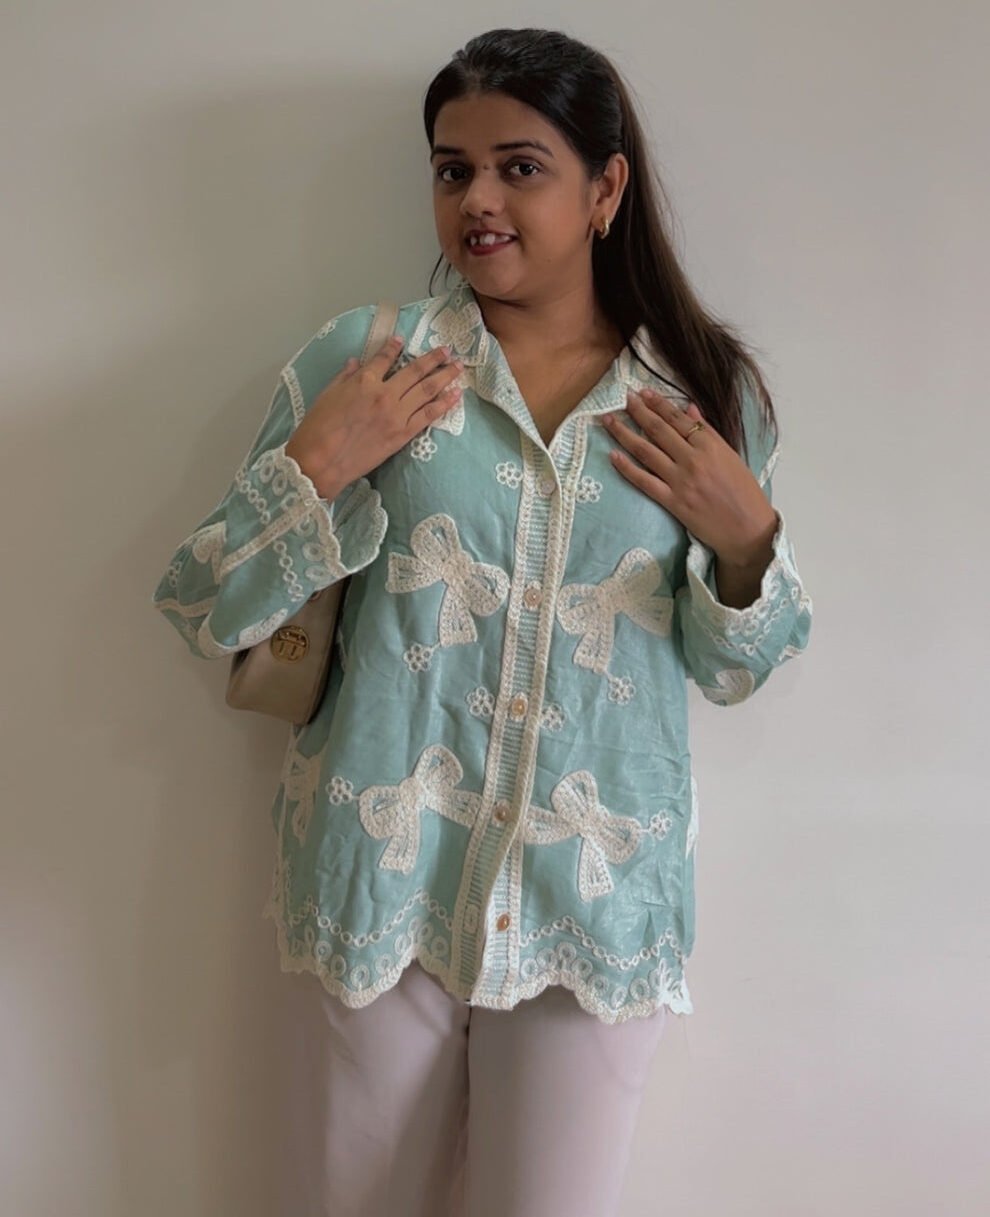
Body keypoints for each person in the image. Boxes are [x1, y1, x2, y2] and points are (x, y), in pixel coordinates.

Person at [151, 26, 813, 1217]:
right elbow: (204, 604)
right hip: (383, 880)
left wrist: (747, 539)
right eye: (453, 169)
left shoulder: (703, 396)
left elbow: (734, 672)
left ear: (605, 188)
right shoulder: (372, 360)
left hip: (591, 903)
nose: (479, 201)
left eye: (521, 167)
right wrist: (318, 466)